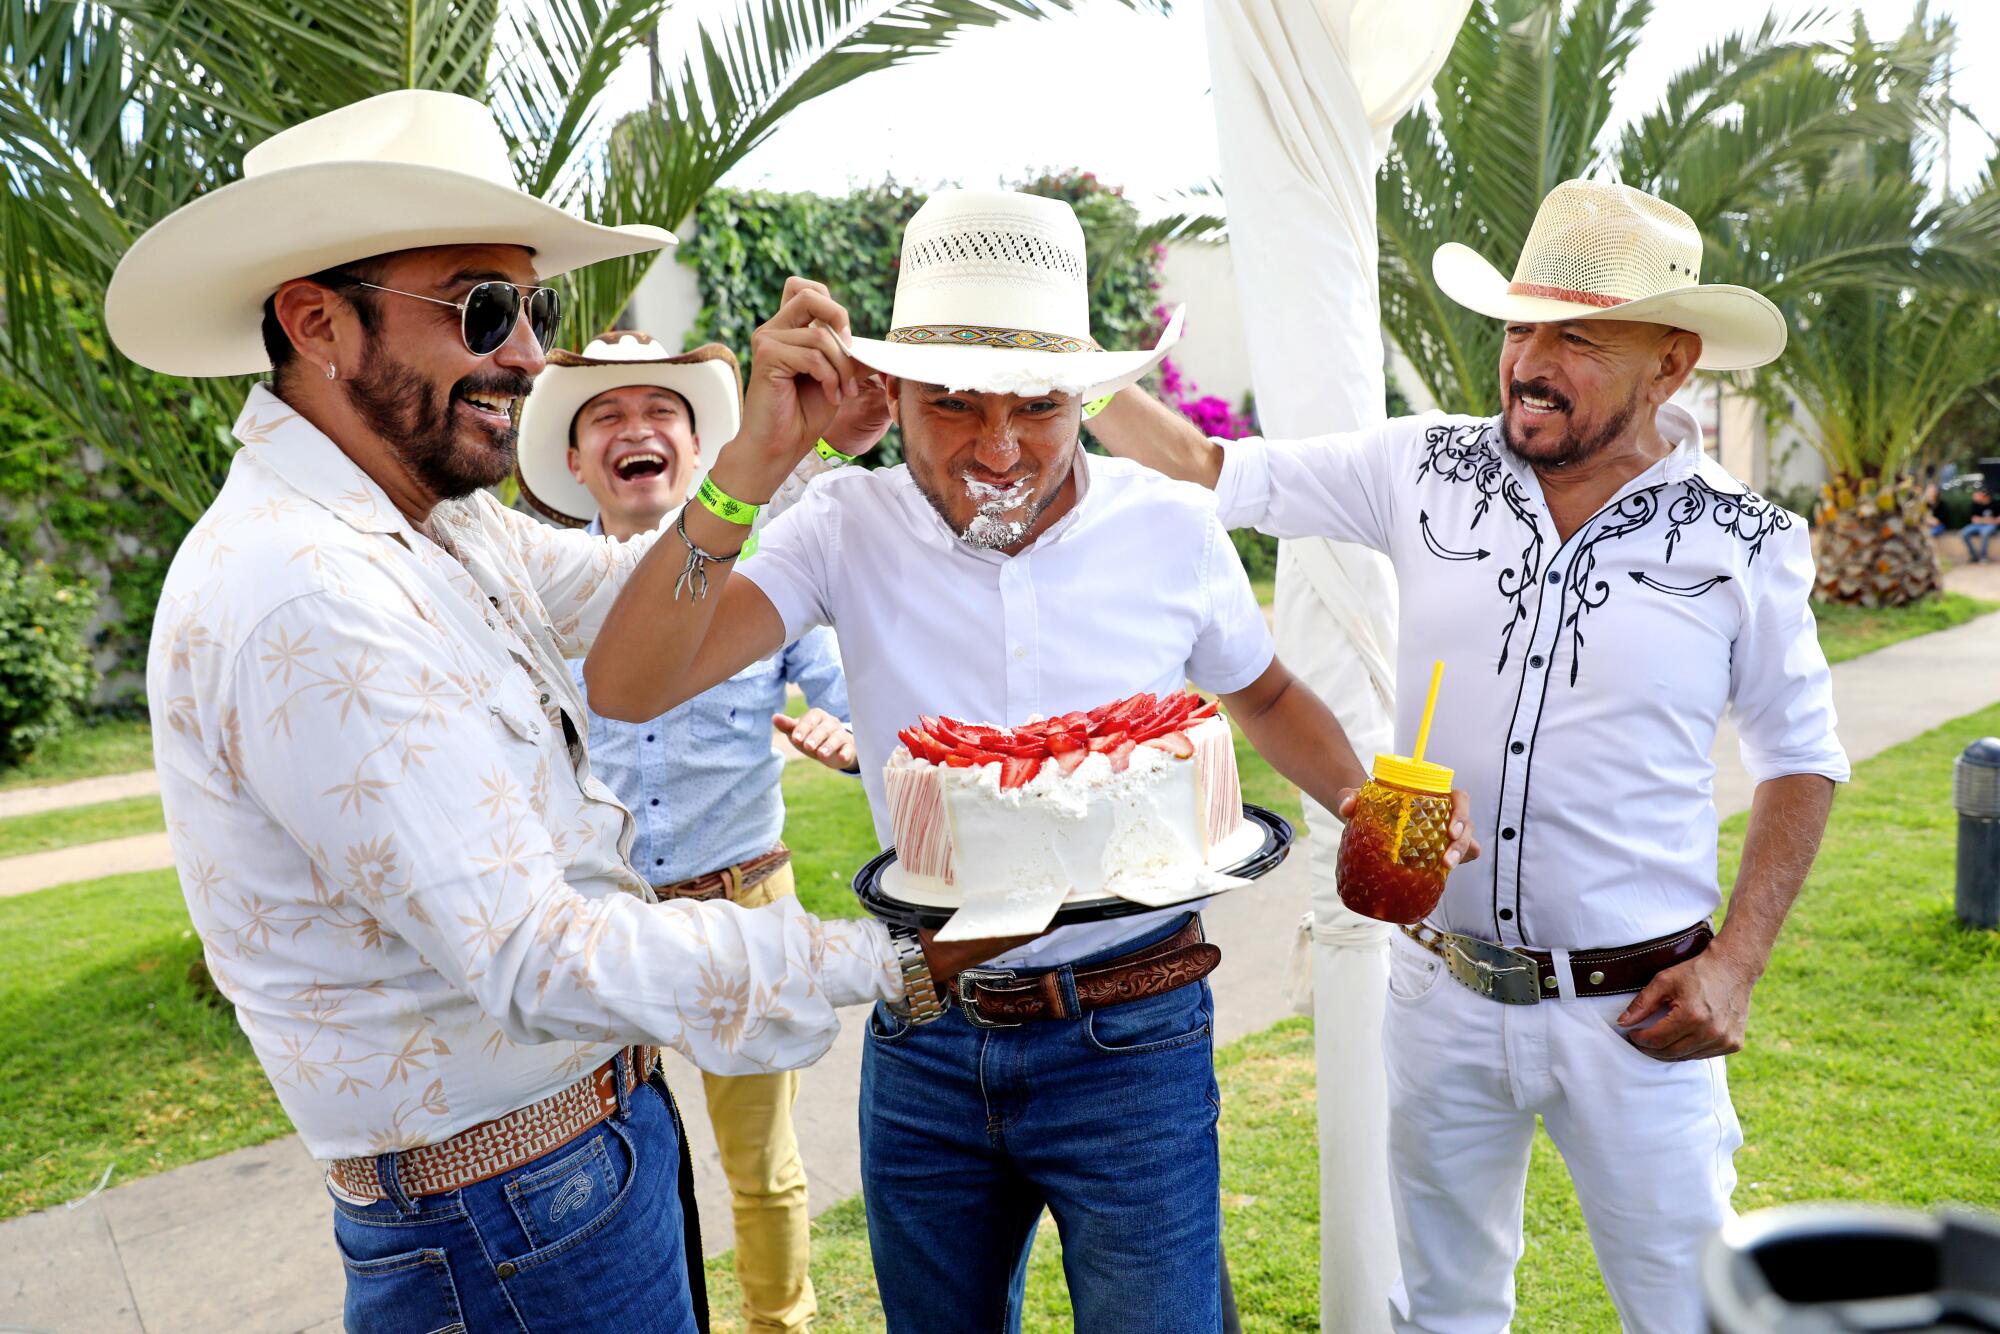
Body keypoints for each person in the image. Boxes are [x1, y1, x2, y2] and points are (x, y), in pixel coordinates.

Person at [116, 91, 1008, 1332]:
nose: (531, 355)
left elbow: (641, 599)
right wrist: (894, 953)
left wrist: (770, 454)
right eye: (483, 307)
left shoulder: (437, 523)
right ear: (316, 322)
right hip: (504, 1222)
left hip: (555, 1176)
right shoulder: (307, 591)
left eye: (536, 307)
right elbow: (541, 951)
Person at [582, 188, 1478, 1334]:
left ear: (1089, 400)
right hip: (924, 1028)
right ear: (889, 391)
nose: (996, 448)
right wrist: (752, 461)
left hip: (1132, 1030)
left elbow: (1261, 691)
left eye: (1037, 407)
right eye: (951, 401)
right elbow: (628, 683)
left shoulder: (1167, 526)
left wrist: (1358, 799)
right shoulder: (838, 527)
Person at [1087, 179, 1848, 1333]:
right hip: (1440, 990)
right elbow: (1206, 468)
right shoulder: (1424, 466)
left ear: (1672, 361)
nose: (1528, 361)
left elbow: (1801, 755)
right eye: (1517, 328)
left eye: (1575, 337)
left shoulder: (1743, 540)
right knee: (1439, 1307)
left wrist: (1735, 962)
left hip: (1635, 1014)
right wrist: (1057, 373)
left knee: (1693, 1312)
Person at [515, 330, 887, 1334]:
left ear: (695, 448)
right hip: (597, 928)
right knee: (613, 1163)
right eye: (607, 416)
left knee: (759, 1167)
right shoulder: (538, 605)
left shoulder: (758, 587)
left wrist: (849, 740)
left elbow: (870, 699)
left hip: (744, 905)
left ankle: (780, 1322)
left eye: (661, 414)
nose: (636, 430)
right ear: (572, 458)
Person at [1963, 488, 1997, 562]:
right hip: (1978, 526)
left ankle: (1983, 557)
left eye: (1979, 495)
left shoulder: (1995, 504)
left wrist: (1982, 520)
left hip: (1990, 526)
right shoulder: (1975, 504)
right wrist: (1988, 520)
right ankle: (1974, 556)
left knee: (1985, 532)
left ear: (1985, 496)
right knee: (1964, 532)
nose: (1976, 497)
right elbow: (1974, 520)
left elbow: (1997, 520)